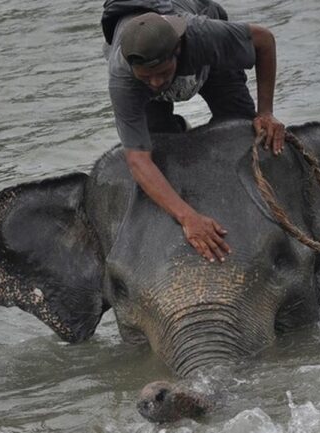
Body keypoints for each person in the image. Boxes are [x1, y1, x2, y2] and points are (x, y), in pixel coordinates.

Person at [102, 0, 285, 263]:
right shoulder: (124, 79)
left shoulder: (202, 35)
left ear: (177, 50)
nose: (155, 83)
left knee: (241, 135)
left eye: (162, 73)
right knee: (161, 152)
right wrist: (188, 218)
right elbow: (138, 160)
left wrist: (265, 111)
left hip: (208, 63)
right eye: (146, 77)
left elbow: (264, 40)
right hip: (141, 79)